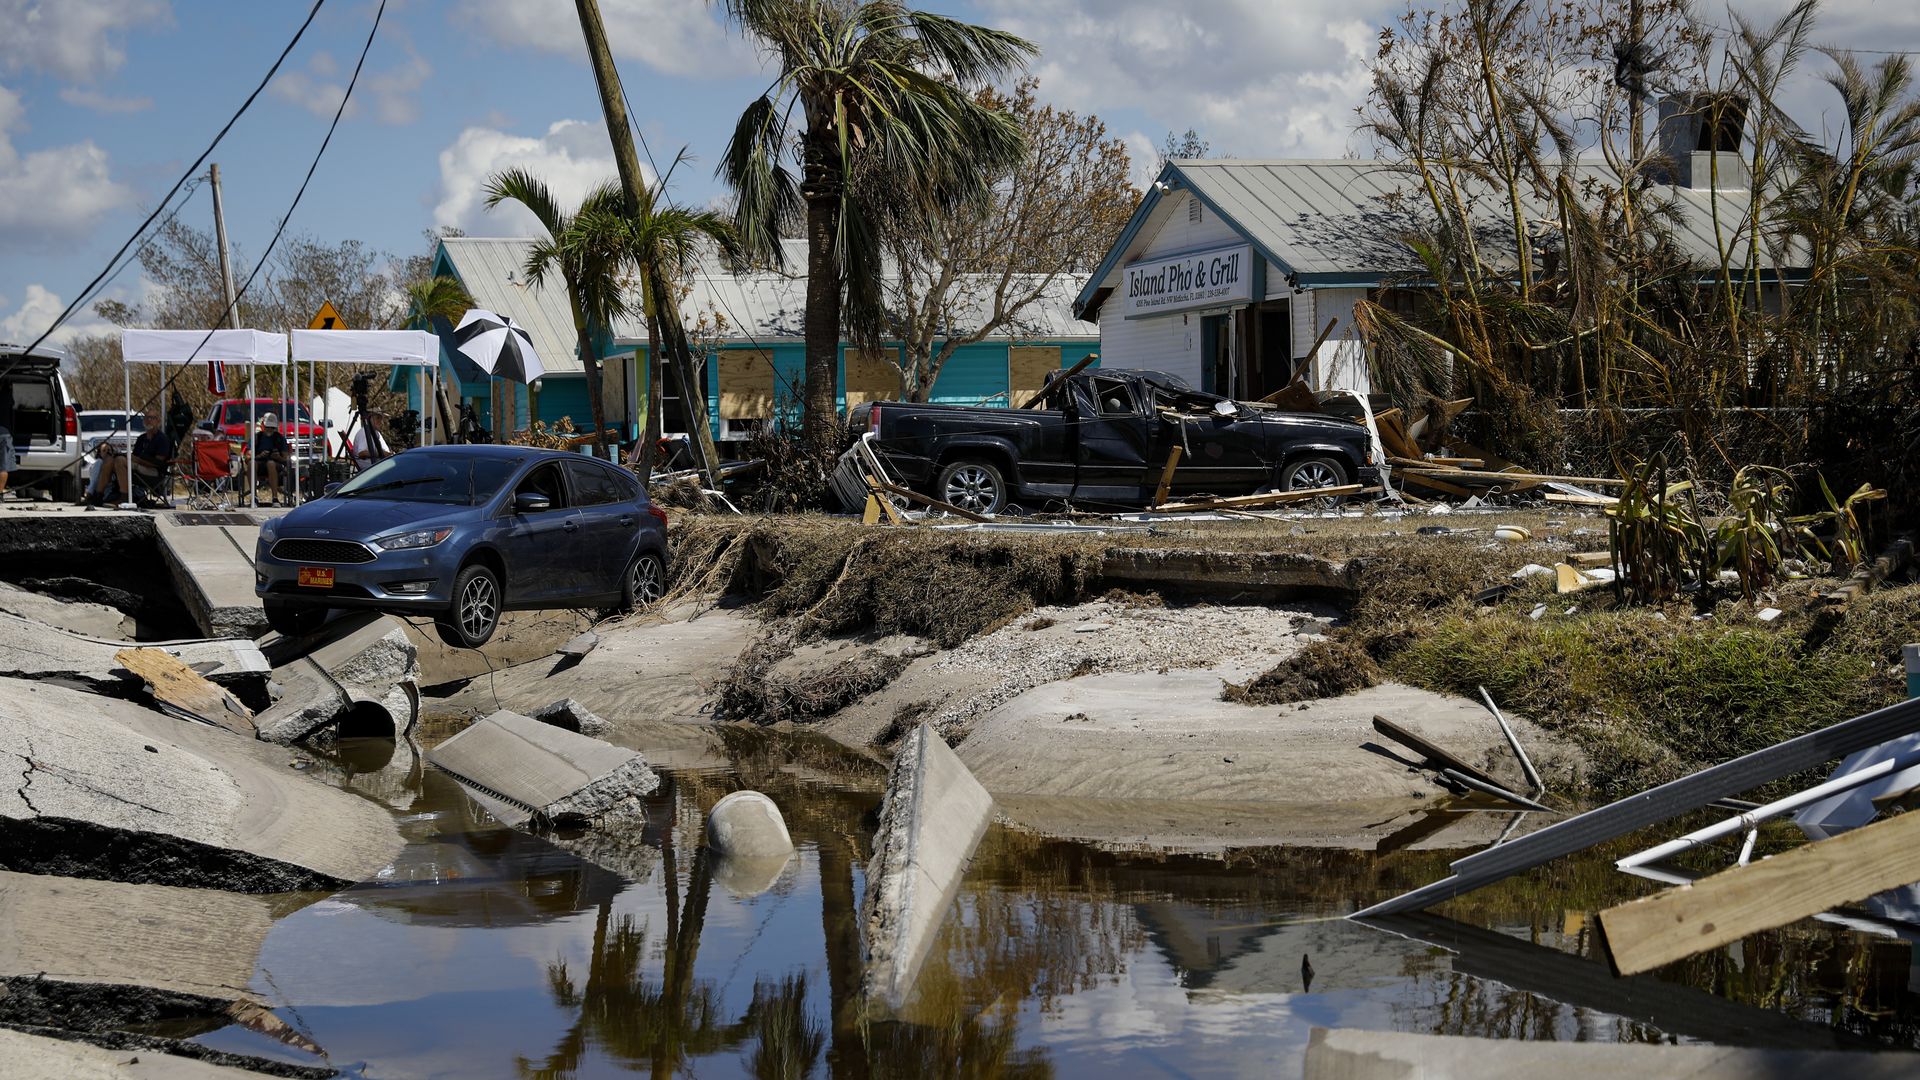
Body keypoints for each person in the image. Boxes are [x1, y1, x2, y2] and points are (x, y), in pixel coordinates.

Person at [101, 407, 171, 507]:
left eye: (152, 418)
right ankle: (98, 496)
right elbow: (135, 456)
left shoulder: (162, 439)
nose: (149, 420)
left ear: (158, 421)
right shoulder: (141, 438)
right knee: (110, 460)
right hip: (139, 467)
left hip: (153, 471)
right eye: (147, 418)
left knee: (120, 461)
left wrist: (138, 460)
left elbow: (158, 463)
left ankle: (124, 498)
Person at [253, 413, 294, 506]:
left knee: (271, 463)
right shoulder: (257, 437)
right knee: (252, 464)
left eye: (272, 427)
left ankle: (275, 498)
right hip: (259, 462)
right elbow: (248, 455)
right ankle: (254, 497)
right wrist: (260, 455)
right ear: (264, 425)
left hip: (276, 465)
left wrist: (278, 457)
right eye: (268, 426)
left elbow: (286, 458)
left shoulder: (279, 438)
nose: (270, 429)